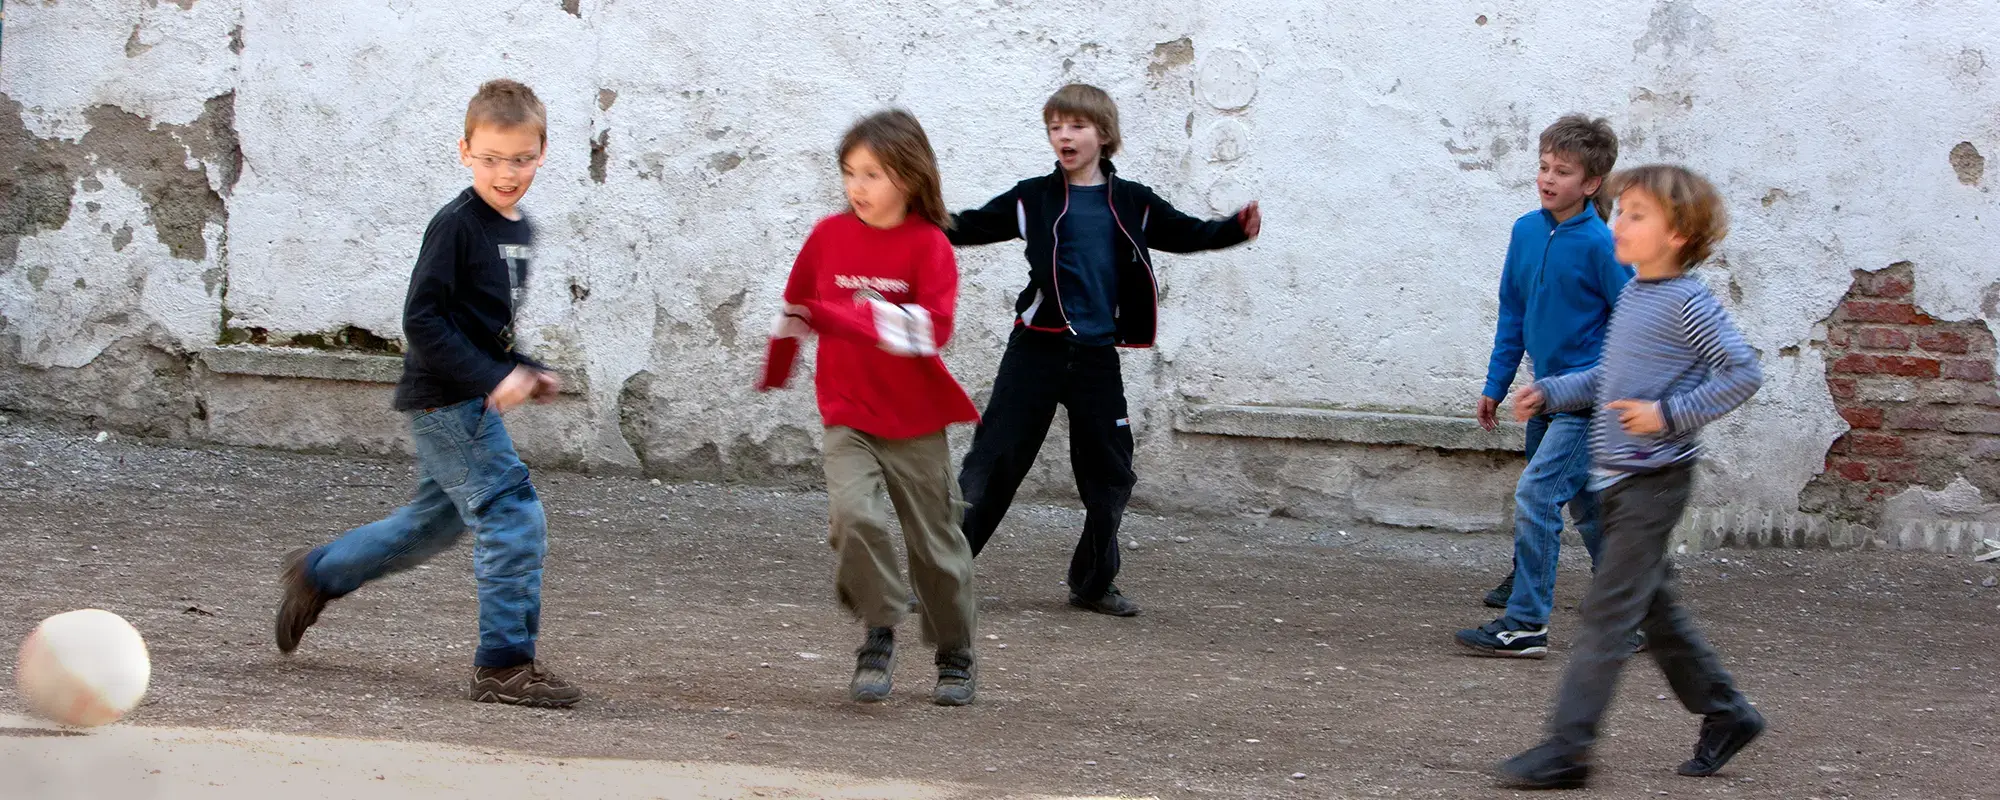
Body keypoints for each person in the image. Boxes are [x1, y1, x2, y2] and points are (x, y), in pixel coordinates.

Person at [273, 79, 580, 708]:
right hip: (448, 401)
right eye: (491, 158)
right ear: (464, 150)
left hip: (468, 395)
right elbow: (424, 321)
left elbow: (480, 329)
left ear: (542, 152)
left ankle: (317, 573)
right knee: (512, 516)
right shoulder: (456, 226)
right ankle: (503, 666)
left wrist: (524, 367)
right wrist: (497, 377)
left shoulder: (519, 230)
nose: (506, 173)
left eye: (520, 158)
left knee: (429, 525)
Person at [946, 83, 1262, 617]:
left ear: (1103, 135)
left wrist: (1231, 230)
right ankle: (940, 576)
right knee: (991, 466)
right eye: (1055, 126)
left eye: (1076, 126)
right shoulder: (1032, 198)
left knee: (1110, 475)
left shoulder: (1133, 202)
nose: (1063, 136)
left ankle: (1093, 584)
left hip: (1095, 358)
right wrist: (908, 214)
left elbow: (1185, 232)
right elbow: (968, 225)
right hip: (1035, 351)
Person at [1497, 164, 1765, 789]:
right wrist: (1553, 390)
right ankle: (1728, 714)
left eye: (1636, 214)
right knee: (1656, 610)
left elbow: (1743, 372)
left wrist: (1668, 415)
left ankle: (1568, 749)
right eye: (1621, 211)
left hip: (1654, 483)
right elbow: (1609, 380)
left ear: (1678, 235)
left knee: (1609, 614)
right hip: (1616, 481)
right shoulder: (1638, 294)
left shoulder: (1686, 302)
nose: (1619, 222)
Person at [757, 109, 981, 706]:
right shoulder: (828, 236)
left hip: (914, 420)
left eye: (873, 174)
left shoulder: (929, 244)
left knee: (935, 545)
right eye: (850, 173)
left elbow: (931, 330)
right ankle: (878, 634)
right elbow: (798, 304)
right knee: (853, 518)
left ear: (908, 177)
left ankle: (955, 651)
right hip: (847, 412)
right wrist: (777, 367)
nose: (857, 187)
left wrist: (844, 316)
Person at [1458, 115, 1633, 658]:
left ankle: (1527, 621)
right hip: (1541, 397)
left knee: (1537, 493)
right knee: (1584, 505)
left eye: (1563, 171)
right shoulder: (1526, 232)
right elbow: (1514, 311)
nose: (1547, 178)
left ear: (1591, 184)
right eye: (1543, 166)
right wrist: (1497, 381)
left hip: (1586, 401)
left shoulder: (1604, 246)